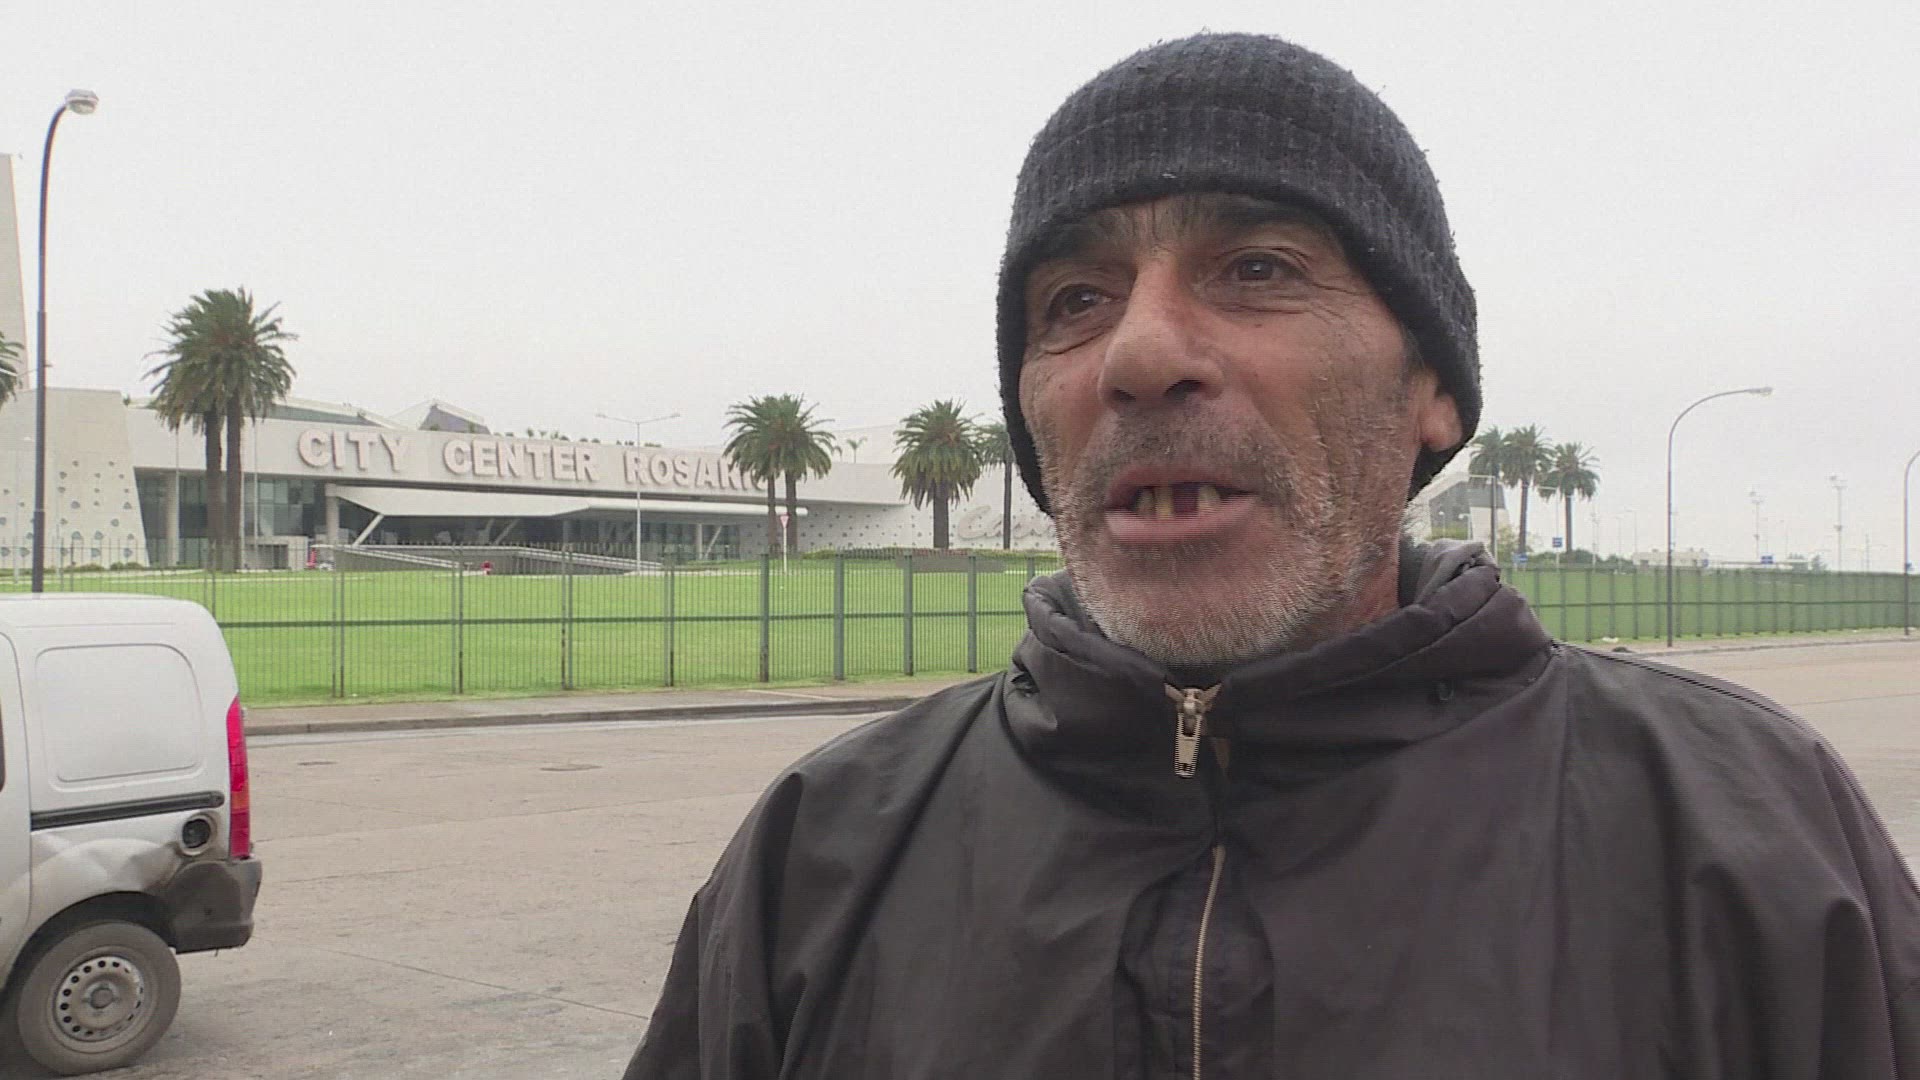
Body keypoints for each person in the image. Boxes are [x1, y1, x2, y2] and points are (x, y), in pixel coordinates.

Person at [625, 33, 1919, 1078]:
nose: (1139, 352)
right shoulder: (822, 855)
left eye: (1256, 267)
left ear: (1434, 389)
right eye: (1075, 300)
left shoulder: (1752, 843)